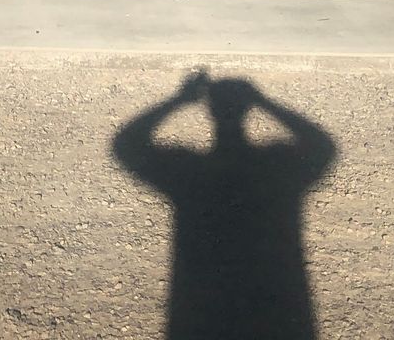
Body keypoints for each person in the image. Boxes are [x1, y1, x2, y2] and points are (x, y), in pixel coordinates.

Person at [111, 69, 336, 340]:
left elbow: (126, 146)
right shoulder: (275, 172)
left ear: (211, 113)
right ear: (245, 111)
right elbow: (322, 148)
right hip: (271, 301)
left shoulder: (188, 177)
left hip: (203, 308)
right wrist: (264, 103)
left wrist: (179, 100)